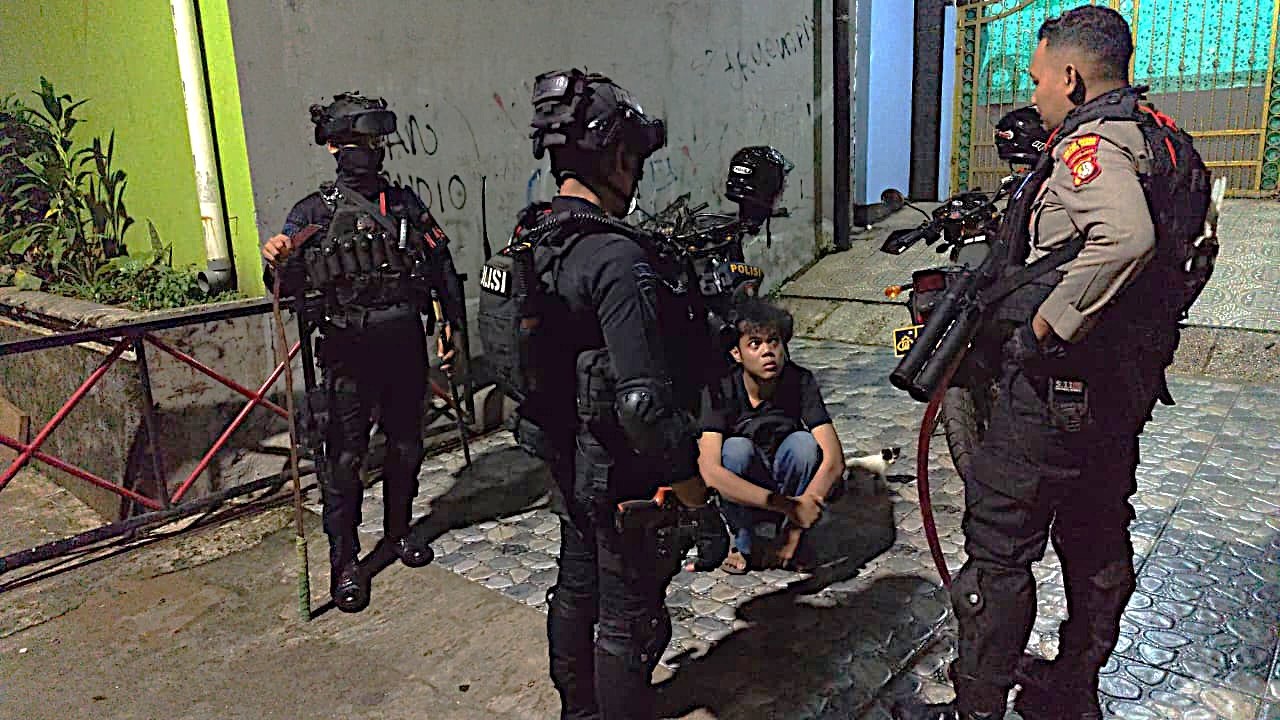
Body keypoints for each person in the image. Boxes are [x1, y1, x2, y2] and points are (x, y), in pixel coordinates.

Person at [894, 6, 1214, 720]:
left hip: (1058, 390)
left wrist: (1047, 327)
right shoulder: (1165, 142)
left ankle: (977, 709)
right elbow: (1190, 256)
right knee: (1096, 534)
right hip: (1122, 387)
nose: (1034, 94)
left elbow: (1124, 238)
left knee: (999, 545)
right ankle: (1072, 690)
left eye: (1038, 79)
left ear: (1069, 77)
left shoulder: (1091, 146)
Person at [485, 68, 726, 720]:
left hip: (564, 456)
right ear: (618, 157)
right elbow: (643, 404)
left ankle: (578, 712)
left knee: (576, 586)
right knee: (627, 617)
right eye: (635, 157)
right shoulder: (618, 259)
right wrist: (694, 492)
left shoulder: (534, 236)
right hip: (619, 471)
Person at [260, 92, 467, 614]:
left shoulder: (404, 204)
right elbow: (284, 281)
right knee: (344, 460)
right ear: (334, 146)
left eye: (376, 141)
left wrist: (453, 325)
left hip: (403, 347)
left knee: (406, 446)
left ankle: (398, 532)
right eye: (359, 141)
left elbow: (442, 265)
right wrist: (278, 259)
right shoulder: (312, 212)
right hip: (347, 355)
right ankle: (346, 562)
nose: (371, 151)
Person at [696, 298, 845, 572]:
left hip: (788, 480)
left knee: (804, 445)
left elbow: (834, 459)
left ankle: (791, 538)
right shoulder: (720, 388)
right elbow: (710, 472)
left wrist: (798, 521)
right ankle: (743, 542)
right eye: (755, 344)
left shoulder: (800, 380)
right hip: (747, 487)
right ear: (737, 353)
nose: (767, 352)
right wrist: (787, 506)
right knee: (735, 450)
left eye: (773, 342)